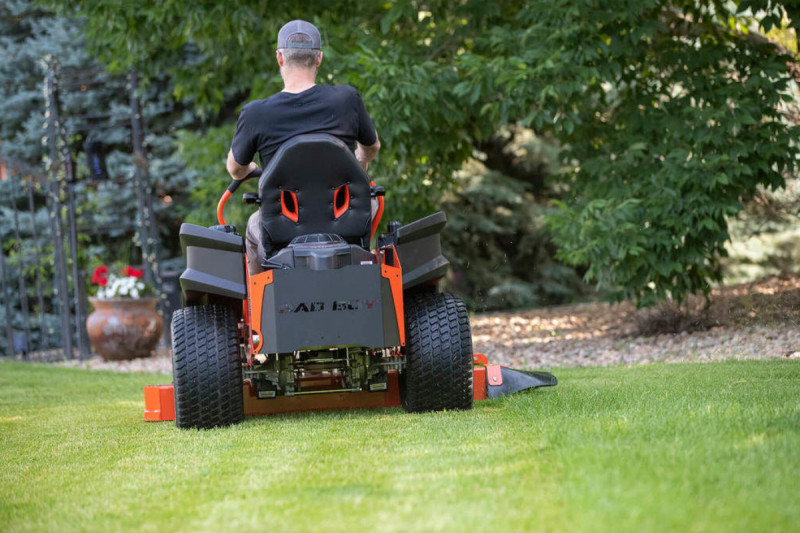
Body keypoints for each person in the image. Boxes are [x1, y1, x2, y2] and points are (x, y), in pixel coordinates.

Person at [226, 19, 381, 274]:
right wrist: (360, 159)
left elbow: (235, 170)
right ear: (319, 58)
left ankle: (262, 294)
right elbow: (372, 147)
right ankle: (360, 273)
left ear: (279, 58)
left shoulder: (255, 113)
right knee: (369, 203)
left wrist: (250, 169)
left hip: (284, 226)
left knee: (255, 226)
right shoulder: (347, 100)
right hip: (345, 219)